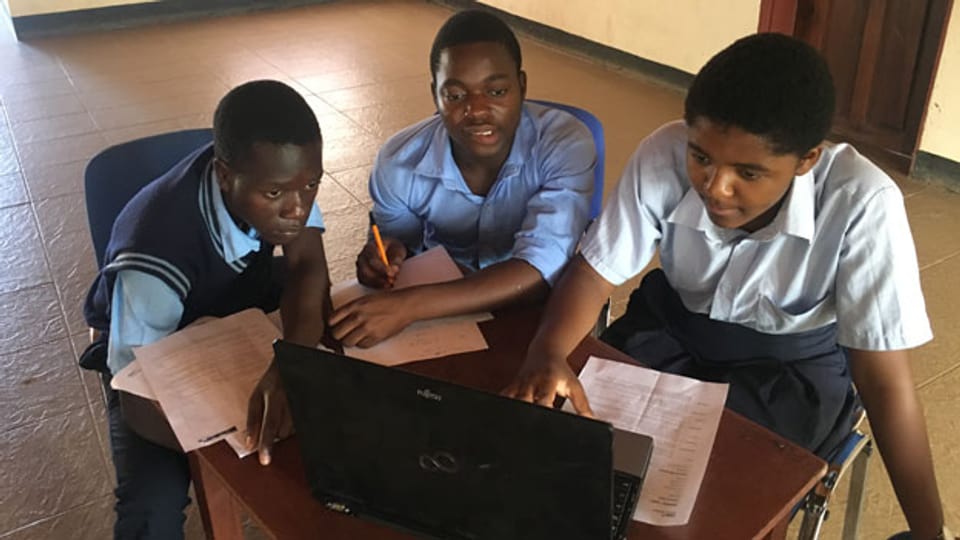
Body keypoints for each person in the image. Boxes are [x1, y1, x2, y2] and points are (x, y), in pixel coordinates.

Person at [504, 33, 951, 539]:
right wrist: (547, 351)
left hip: (788, 370)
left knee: (735, 508)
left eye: (749, 172)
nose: (715, 186)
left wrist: (929, 532)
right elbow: (594, 271)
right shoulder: (664, 152)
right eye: (702, 157)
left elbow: (884, 381)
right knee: (578, 465)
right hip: (670, 332)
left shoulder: (862, 203)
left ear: (806, 160)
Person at [81, 80, 331, 540]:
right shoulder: (153, 256)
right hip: (146, 351)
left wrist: (291, 364)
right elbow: (135, 390)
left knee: (332, 325)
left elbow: (309, 266)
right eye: (275, 195)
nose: (298, 209)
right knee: (150, 508)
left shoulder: (285, 180)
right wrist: (228, 455)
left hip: (228, 296)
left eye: (311, 184)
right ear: (223, 175)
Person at [328, 9, 595, 347]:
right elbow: (398, 241)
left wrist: (411, 306)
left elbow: (538, 268)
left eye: (496, 91)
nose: (477, 111)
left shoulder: (563, 144)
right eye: (455, 96)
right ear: (435, 95)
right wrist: (384, 258)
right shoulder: (399, 162)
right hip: (439, 306)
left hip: (532, 307)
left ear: (522, 86)